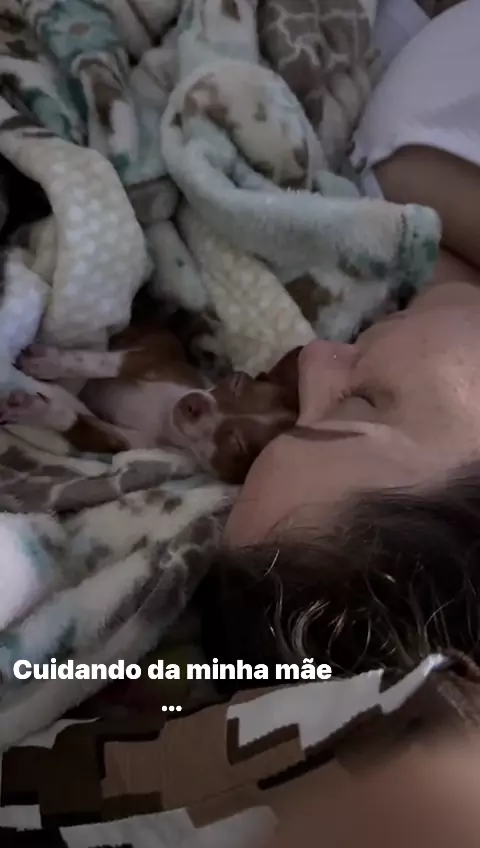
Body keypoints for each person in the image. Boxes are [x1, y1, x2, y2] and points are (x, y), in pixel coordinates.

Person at [198, 0, 480, 678]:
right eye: (362, 402)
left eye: (294, 417)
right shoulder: (418, 159)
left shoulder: (397, 207)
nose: (316, 359)